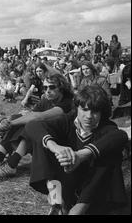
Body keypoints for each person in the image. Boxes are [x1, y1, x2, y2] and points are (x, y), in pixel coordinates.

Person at [24, 85, 128, 215]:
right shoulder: (68, 121)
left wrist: (80, 155)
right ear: (77, 108)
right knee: (43, 140)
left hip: (93, 187)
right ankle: (57, 202)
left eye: (95, 111)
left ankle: (80, 207)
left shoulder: (107, 127)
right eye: (84, 109)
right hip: (66, 181)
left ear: (102, 112)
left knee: (110, 151)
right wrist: (55, 147)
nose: (89, 116)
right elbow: (32, 126)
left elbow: (120, 136)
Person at [0, 73, 74, 178]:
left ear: (61, 88)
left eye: (52, 87)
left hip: (60, 144)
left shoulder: (67, 103)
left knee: (34, 125)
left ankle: (11, 165)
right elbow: (31, 114)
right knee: (17, 118)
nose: (47, 91)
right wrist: (10, 121)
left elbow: (40, 116)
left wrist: (11, 124)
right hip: (45, 139)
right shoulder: (46, 100)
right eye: (45, 87)